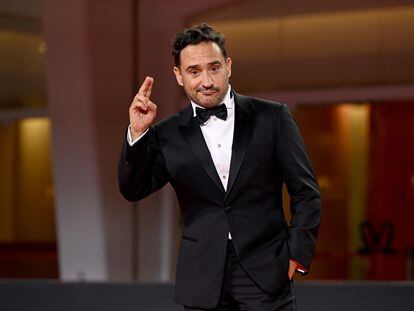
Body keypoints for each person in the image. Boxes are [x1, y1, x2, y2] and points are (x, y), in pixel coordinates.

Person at [118, 23, 321, 311]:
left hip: (266, 272)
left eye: (214, 68)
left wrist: (296, 256)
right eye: (194, 71)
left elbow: (306, 193)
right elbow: (133, 189)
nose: (206, 81)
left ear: (228, 66)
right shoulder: (167, 133)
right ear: (178, 76)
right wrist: (137, 135)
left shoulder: (273, 117)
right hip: (201, 278)